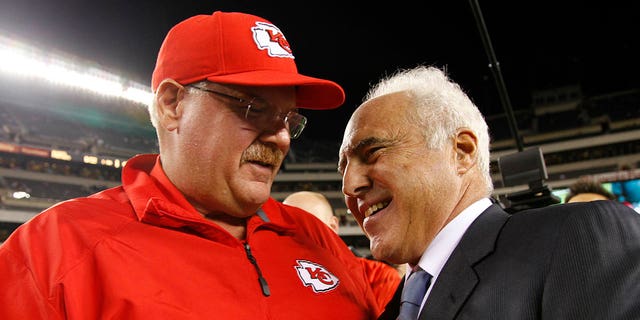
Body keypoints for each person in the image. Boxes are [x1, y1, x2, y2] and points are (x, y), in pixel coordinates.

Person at [0, 11, 381, 319]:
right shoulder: (52, 251)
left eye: (288, 119)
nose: (280, 137)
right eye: (253, 108)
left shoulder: (316, 237)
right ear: (172, 105)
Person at [337, 65, 640, 319]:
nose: (350, 186)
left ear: (462, 152)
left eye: (373, 152)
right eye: (343, 168)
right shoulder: (393, 307)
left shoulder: (578, 237)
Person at [283, 191, 402, 308]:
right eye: (285, 230)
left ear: (333, 227)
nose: (296, 237)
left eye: (309, 226)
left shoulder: (376, 276)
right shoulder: (272, 279)